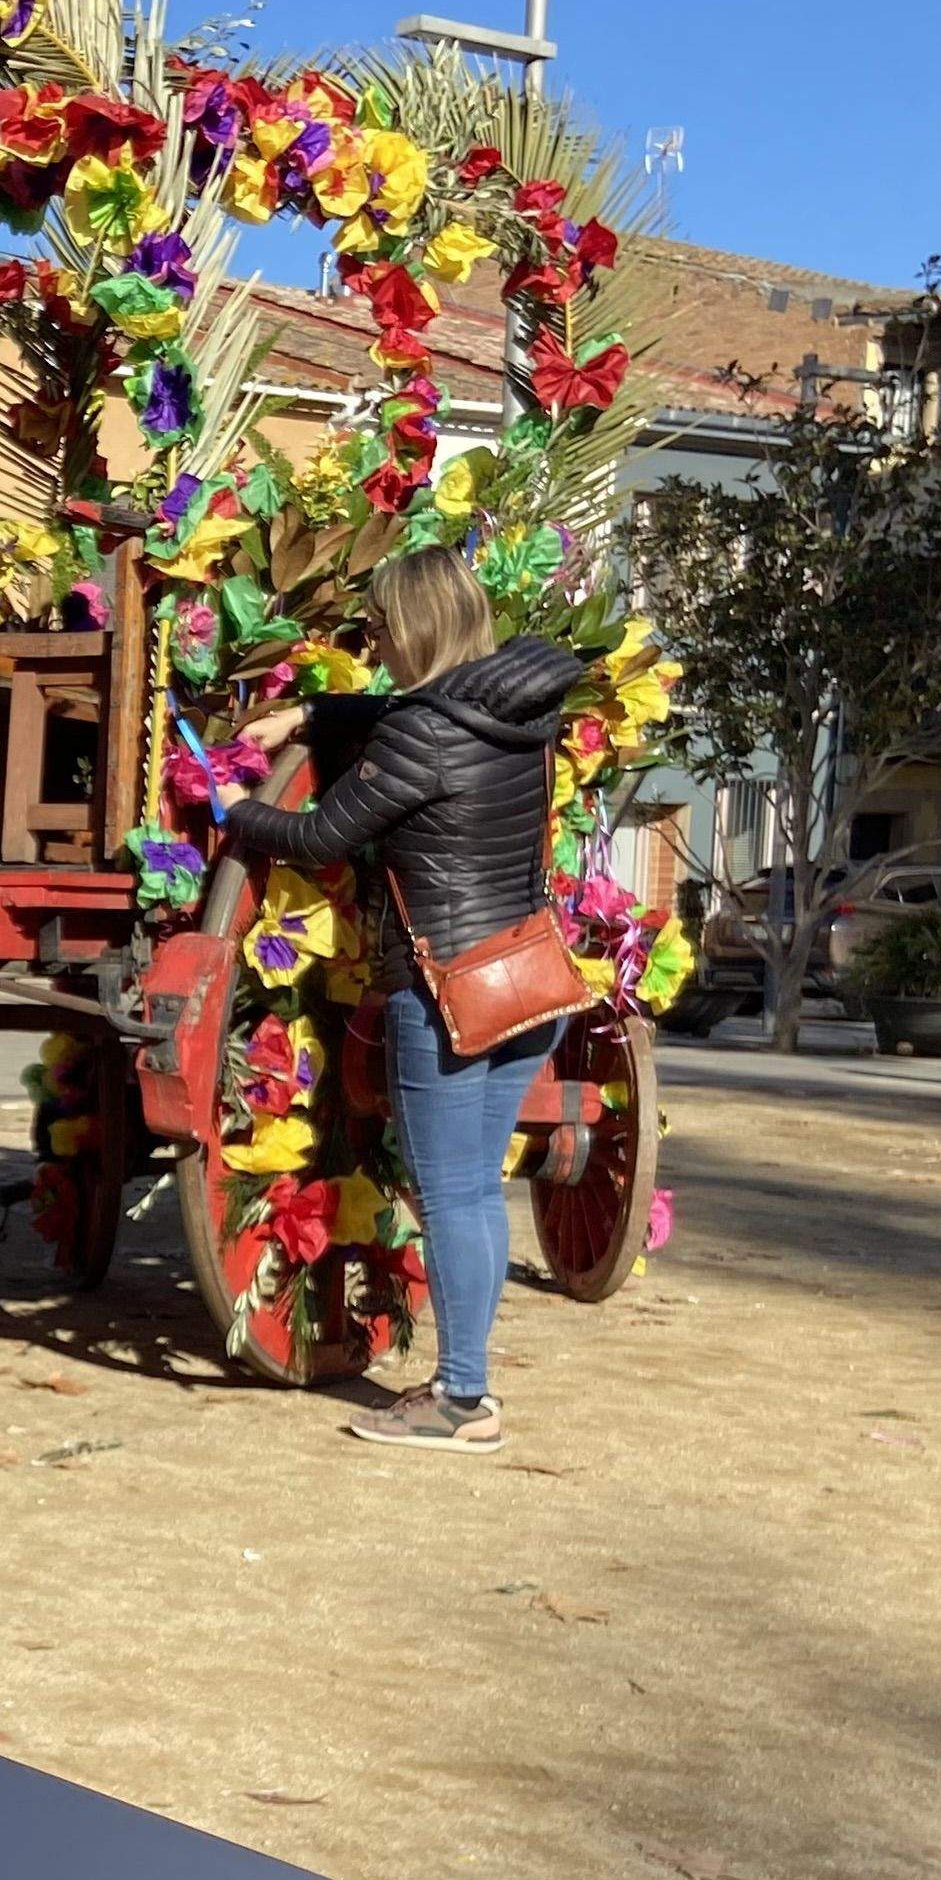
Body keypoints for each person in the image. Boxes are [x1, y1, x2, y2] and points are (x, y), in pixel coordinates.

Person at [222, 550, 588, 1453]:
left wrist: (234, 806)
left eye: (380, 626)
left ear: (414, 625)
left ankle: (460, 1398)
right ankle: (467, 1385)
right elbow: (411, 715)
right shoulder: (518, 711)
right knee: (474, 1193)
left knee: (450, 1193)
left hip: (446, 994)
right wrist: (311, 712)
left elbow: (321, 836)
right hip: (526, 985)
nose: (374, 643)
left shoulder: (419, 734)